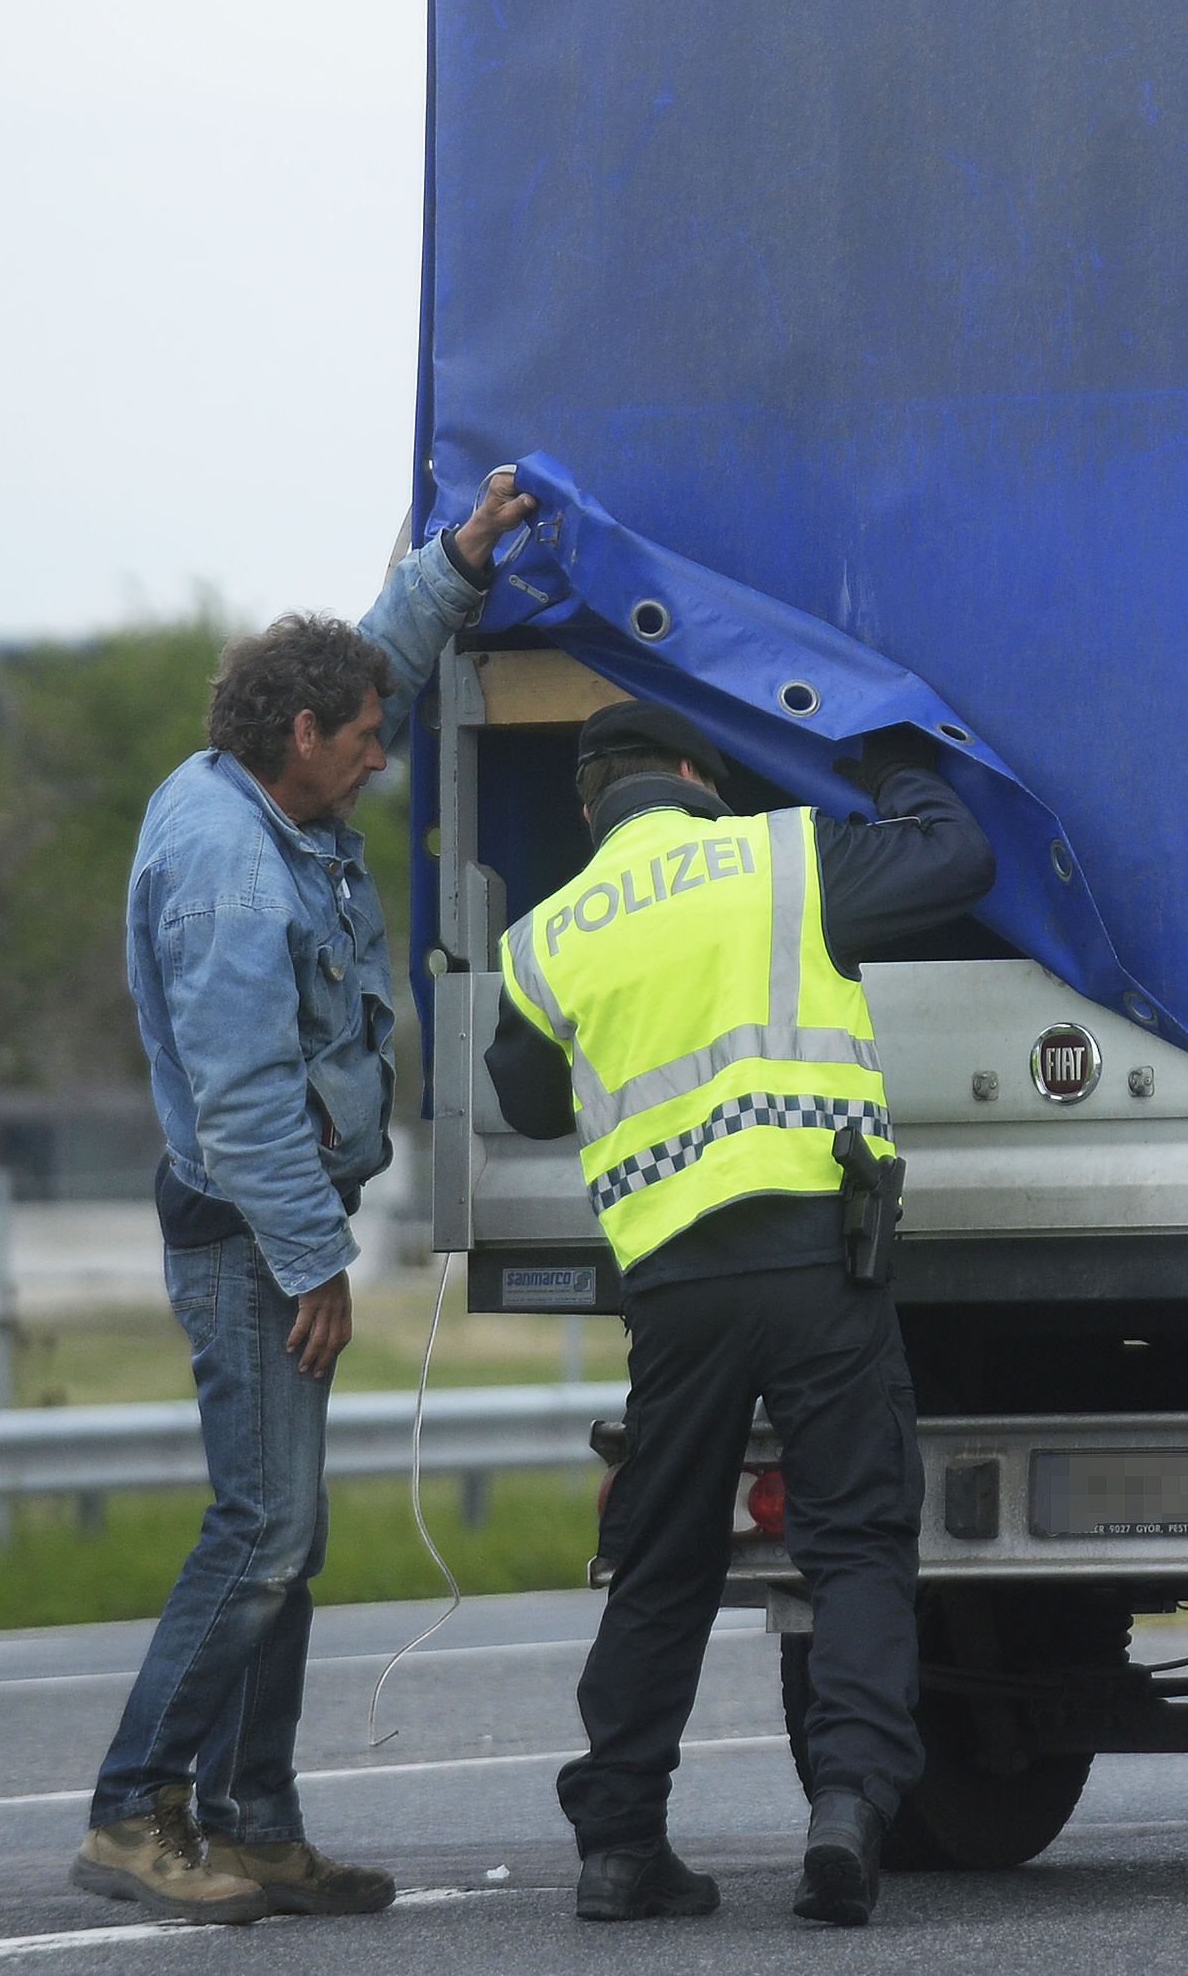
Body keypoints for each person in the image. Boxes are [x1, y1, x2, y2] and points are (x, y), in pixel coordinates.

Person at [73, 465, 537, 1923]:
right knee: (260, 1530)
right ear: (299, 735)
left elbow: (380, 656)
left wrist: (458, 558)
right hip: (250, 1233)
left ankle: (254, 1822)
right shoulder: (227, 868)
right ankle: (134, 1811)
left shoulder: (270, 782)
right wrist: (317, 1259)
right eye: (365, 738)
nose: (383, 754)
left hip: (274, 1228)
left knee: (287, 1533)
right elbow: (243, 1098)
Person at [487, 697, 990, 1927]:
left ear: (591, 804)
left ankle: (618, 1842)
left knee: (661, 1560)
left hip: (673, 1285)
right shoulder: (780, 856)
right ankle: (851, 1809)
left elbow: (529, 1099)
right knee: (857, 1538)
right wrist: (896, 760)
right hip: (818, 1258)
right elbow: (955, 858)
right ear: (692, 774)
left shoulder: (545, 936)